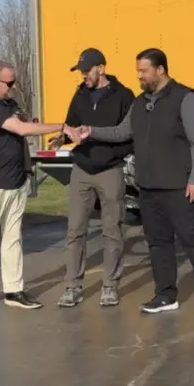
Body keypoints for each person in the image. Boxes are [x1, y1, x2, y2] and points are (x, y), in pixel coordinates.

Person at [73, 48, 194, 320]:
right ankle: (165, 295)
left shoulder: (184, 98)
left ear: (160, 70)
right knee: (157, 243)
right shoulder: (140, 102)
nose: (139, 76)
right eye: (138, 72)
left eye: (143, 71)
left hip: (180, 188)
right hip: (149, 188)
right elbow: (121, 132)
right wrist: (92, 131)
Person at [0, 60, 76, 315]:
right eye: (10, 83)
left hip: (16, 181)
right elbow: (22, 129)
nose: (13, 87)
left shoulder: (10, 105)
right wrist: (61, 126)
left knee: (13, 238)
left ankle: (14, 290)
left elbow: (22, 121)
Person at [53, 48, 135, 308]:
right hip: (82, 169)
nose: (83, 75)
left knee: (112, 230)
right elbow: (71, 125)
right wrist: (62, 138)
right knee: (75, 230)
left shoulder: (123, 96)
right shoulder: (80, 95)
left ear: (101, 68)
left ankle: (110, 285)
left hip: (110, 170)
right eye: (81, 71)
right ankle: (72, 287)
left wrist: (115, 153)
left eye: (87, 70)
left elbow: (130, 133)